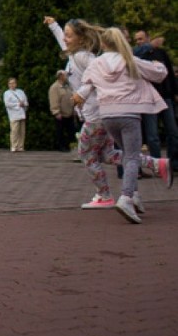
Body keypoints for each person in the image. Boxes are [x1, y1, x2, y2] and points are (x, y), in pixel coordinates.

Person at [45, 15, 169, 209]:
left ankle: (104, 195)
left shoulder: (84, 57)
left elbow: (98, 73)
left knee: (85, 153)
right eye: (65, 36)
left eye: (69, 36)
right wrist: (54, 26)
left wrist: (82, 95)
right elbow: (64, 42)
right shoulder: (74, 55)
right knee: (108, 154)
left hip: (97, 114)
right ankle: (154, 165)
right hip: (99, 113)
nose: (65, 39)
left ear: (81, 38)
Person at [73, 27, 171, 223]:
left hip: (107, 115)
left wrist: (78, 98)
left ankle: (134, 195)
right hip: (129, 113)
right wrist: (158, 64)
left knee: (126, 155)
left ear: (102, 44)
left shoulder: (97, 63)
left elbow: (86, 85)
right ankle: (126, 197)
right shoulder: (130, 60)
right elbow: (159, 74)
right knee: (132, 156)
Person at [133, 29, 178, 170]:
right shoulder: (137, 55)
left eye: (141, 39)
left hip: (165, 96)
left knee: (173, 131)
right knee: (152, 135)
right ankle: (157, 165)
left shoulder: (161, 53)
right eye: (137, 40)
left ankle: (173, 163)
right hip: (149, 98)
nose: (139, 42)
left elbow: (170, 73)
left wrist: (175, 92)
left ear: (148, 37)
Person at [48, 69, 77, 152]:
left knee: (71, 131)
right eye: (66, 75)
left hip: (69, 113)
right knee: (60, 131)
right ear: (60, 76)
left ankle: (71, 146)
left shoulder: (68, 86)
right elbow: (54, 100)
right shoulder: (54, 87)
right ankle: (61, 146)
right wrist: (56, 112)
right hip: (61, 114)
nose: (67, 77)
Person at [3, 77, 28, 152]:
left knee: (22, 131)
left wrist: (23, 104)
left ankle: (21, 146)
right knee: (14, 131)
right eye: (10, 83)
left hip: (22, 113)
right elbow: (7, 104)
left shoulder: (21, 91)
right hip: (13, 115)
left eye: (13, 83)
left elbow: (26, 101)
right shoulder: (7, 93)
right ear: (8, 84)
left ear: (16, 84)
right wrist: (18, 104)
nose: (12, 85)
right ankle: (14, 146)